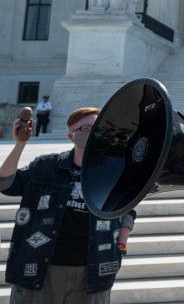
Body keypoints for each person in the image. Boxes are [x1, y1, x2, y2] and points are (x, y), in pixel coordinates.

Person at [1, 107, 135, 303]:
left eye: (97, 128)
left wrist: (122, 244)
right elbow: (6, 183)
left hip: (93, 271)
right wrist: (20, 144)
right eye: (85, 128)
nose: (92, 133)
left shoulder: (113, 173)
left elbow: (128, 209)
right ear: (71, 136)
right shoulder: (46, 166)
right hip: (42, 268)